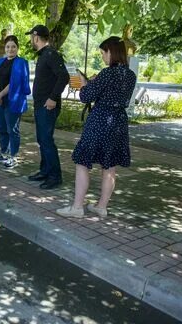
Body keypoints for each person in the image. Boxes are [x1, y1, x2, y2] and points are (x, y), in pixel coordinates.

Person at [56, 36, 137, 218]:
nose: (102, 57)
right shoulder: (131, 75)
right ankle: (101, 206)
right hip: (119, 122)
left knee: (82, 161)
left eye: (103, 53)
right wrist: (95, 83)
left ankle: (77, 207)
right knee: (109, 166)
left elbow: (86, 96)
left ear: (111, 52)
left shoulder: (107, 73)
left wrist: (85, 83)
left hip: (100, 120)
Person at [26, 24, 70, 189]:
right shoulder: (43, 55)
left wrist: (53, 98)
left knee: (46, 140)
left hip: (48, 106)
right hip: (41, 105)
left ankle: (54, 176)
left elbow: (64, 76)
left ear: (36, 37)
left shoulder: (51, 54)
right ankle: (45, 171)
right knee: (42, 139)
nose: (31, 40)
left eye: (31, 37)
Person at [0, 35, 31, 169]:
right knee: (2, 128)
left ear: (17, 48)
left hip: (14, 100)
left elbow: (15, 83)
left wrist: (0, 95)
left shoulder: (21, 63)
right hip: (0, 101)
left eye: (13, 47)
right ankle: (3, 153)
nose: (10, 49)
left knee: (12, 129)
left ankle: (13, 156)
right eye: (8, 47)